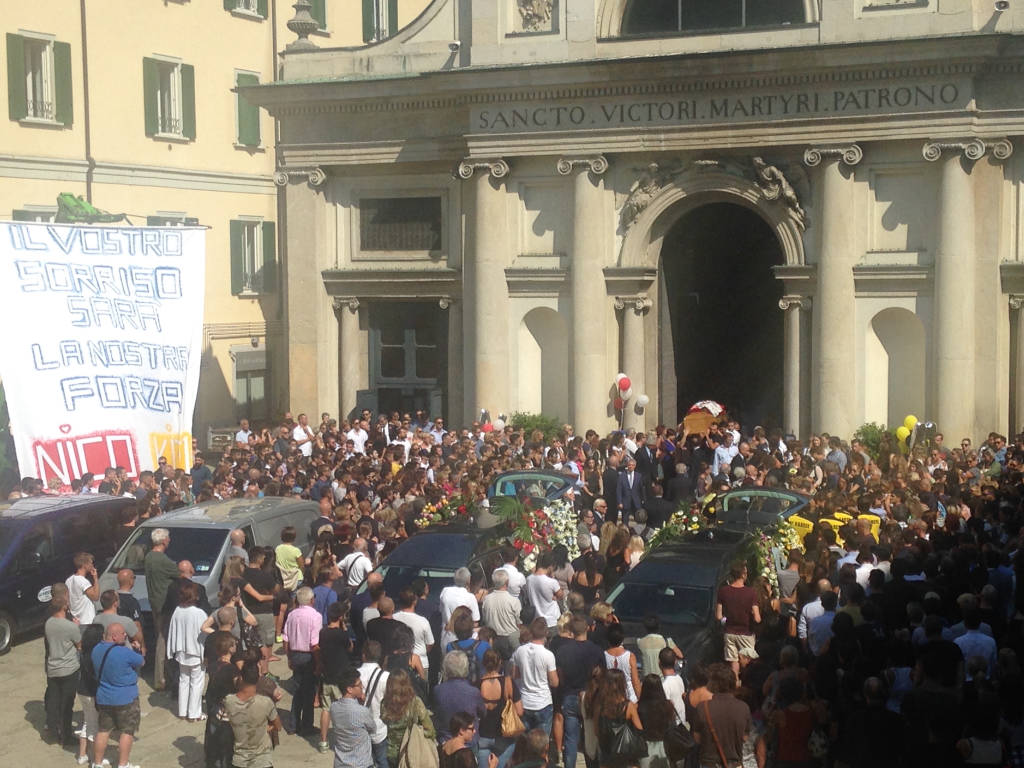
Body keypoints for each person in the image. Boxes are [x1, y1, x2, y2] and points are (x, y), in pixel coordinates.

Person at [92, 622, 145, 768]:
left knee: (103, 731)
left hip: (104, 697)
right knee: (127, 732)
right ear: (115, 637)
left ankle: (97, 763)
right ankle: (123, 764)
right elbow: (141, 661)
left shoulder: (96, 649)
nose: (126, 635)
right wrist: (137, 649)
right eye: (123, 634)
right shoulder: (124, 652)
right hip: (126, 698)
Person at [555, 616, 604, 768]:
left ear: (571, 631)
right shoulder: (596, 650)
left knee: (571, 738)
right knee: (591, 736)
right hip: (590, 696)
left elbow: (560, 676)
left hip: (569, 695)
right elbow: (602, 675)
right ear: (587, 629)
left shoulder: (562, 651)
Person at [691, 663, 751, 768]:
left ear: (712, 684)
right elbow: (745, 738)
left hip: (710, 764)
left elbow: (697, 738)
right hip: (735, 764)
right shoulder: (743, 707)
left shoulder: (702, 708)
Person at [224, 661, 282, 768]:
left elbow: (224, 724)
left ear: (241, 678)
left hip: (239, 760)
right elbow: (278, 726)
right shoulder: (265, 702)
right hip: (262, 761)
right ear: (257, 678)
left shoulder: (229, 701)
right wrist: (265, 727)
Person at [283, 585, 323, 735]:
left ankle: (293, 724)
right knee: (309, 692)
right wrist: (319, 663)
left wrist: (289, 657)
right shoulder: (315, 616)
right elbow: (314, 643)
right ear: (312, 600)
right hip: (309, 657)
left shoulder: (292, 614)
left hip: (295, 654)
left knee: (298, 691)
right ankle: (307, 725)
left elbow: (285, 639)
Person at [167, 580, 209, 721]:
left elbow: (172, 631)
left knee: (183, 680)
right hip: (196, 652)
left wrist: (172, 649)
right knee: (197, 682)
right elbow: (204, 634)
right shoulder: (199, 613)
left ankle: (182, 711)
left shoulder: (177, 611)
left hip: (181, 651)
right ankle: (194, 713)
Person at [145, 527, 180, 691]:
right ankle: (161, 678)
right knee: (163, 640)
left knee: (161, 638)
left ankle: (164, 676)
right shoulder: (163, 560)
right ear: (164, 540)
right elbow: (180, 573)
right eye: (169, 538)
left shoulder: (149, 557)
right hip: (165, 605)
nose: (170, 540)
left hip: (155, 603)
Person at [511, 618, 559, 736]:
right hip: (543, 702)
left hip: (525, 700)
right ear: (546, 633)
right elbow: (554, 682)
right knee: (542, 741)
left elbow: (515, 675)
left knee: (526, 740)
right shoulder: (548, 655)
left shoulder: (519, 651)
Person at [44, 592, 81, 746]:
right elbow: (79, 646)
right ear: (65, 607)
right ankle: (66, 736)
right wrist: (77, 627)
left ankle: (53, 730)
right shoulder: (70, 626)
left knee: (54, 701)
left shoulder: (48, 623)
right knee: (67, 704)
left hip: (53, 668)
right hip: (69, 669)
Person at [316, 602, 353, 753]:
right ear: (340, 617)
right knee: (343, 710)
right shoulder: (341, 634)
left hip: (327, 676)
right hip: (340, 678)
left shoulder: (323, 632)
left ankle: (323, 741)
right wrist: (345, 629)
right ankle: (343, 741)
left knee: (326, 709)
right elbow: (350, 647)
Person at [381, 668, 436, 768]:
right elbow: (430, 730)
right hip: (410, 750)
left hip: (391, 752)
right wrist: (419, 733)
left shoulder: (384, 704)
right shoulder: (415, 702)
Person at [716, 560, 760, 677]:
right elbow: (757, 618)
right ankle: (746, 683)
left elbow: (719, 616)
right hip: (746, 632)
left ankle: (735, 682)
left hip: (729, 632)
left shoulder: (723, 591)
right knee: (748, 662)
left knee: (733, 662)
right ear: (743, 575)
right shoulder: (751, 593)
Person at [330, 665, 377, 768]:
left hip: (341, 763)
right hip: (361, 763)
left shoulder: (333, 707)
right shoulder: (362, 711)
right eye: (359, 684)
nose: (362, 687)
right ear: (349, 689)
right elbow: (373, 728)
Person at [596, 668, 644, 768]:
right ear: (622, 685)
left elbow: (597, 731)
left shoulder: (600, 707)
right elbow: (639, 730)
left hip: (607, 754)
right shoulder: (629, 706)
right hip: (627, 757)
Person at [204, 633, 239, 768]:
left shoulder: (213, 665)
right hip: (226, 711)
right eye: (234, 645)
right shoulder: (231, 669)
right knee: (226, 747)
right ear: (230, 648)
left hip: (214, 707)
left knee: (213, 741)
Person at [478, 648, 517, 768]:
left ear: (483, 663)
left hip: (482, 734)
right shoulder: (508, 682)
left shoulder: (477, 684)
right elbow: (520, 710)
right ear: (500, 662)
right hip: (503, 734)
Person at [75, 623, 107, 768]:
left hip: (81, 690)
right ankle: (96, 759)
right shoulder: (95, 654)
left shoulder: (83, 651)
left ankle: (82, 755)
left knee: (87, 722)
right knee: (95, 726)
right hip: (92, 692)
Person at [357, 640, 391, 768]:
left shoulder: (356, 675)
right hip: (380, 727)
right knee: (382, 760)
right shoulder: (386, 676)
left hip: (361, 728)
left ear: (363, 655)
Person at [394, 588, 435, 677]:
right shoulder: (423, 621)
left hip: (398, 663)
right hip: (421, 663)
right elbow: (430, 643)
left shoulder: (393, 618)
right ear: (415, 601)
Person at [636, 675, 675, 768]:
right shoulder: (668, 705)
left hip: (645, 748)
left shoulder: (638, 707)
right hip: (665, 746)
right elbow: (672, 724)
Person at [440, 568, 480, 650]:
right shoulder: (470, 597)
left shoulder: (445, 591)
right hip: (464, 642)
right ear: (468, 580)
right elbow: (475, 622)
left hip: (446, 639)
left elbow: (441, 610)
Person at [604, 623, 641, 704]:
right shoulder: (630, 656)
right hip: (629, 697)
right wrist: (640, 698)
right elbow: (635, 681)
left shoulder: (603, 655)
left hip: (610, 696)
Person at [66, 551, 100, 626]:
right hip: (87, 620)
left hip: (76, 620)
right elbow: (96, 597)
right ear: (85, 565)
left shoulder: (68, 580)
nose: (92, 565)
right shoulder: (83, 581)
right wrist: (95, 578)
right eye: (91, 563)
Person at [657, 648, 686, 726]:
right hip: (682, 723)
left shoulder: (664, 685)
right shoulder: (679, 678)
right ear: (675, 662)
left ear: (659, 663)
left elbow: (666, 710)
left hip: (674, 726)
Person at [616, 457, 645, 527]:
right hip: (625, 501)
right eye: (629, 465)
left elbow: (642, 489)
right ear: (627, 465)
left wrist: (643, 500)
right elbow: (619, 490)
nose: (630, 466)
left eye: (632, 465)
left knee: (639, 520)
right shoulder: (622, 476)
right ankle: (625, 531)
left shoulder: (639, 476)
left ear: (635, 466)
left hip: (636, 501)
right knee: (625, 521)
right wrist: (619, 502)